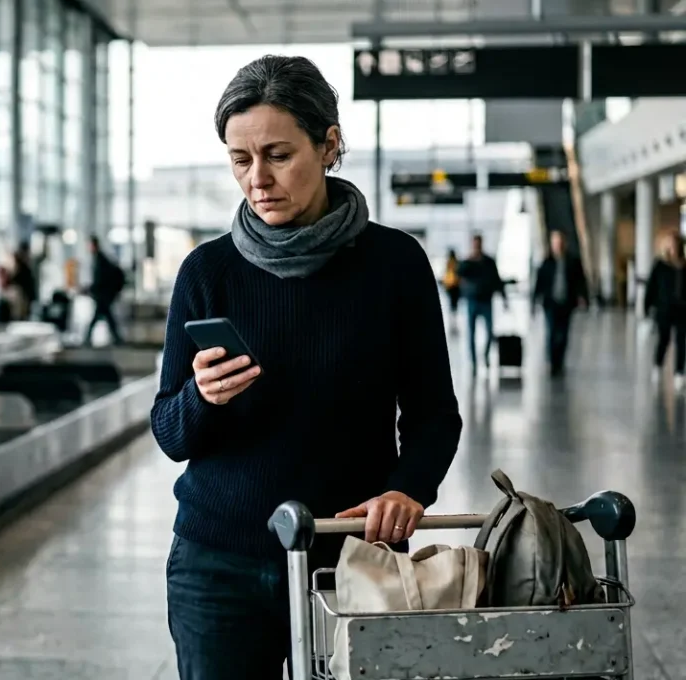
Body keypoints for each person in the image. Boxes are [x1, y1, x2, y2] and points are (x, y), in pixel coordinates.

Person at [150, 55, 462, 678]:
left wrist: (410, 489)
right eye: (241, 160)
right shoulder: (207, 273)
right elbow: (168, 431)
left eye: (277, 154)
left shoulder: (395, 265)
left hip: (353, 562)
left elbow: (433, 414)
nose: (257, 178)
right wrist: (201, 397)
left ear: (329, 145)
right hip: (219, 567)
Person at [532, 230, 588, 377]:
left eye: (561, 242)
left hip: (567, 303)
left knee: (563, 334)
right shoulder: (547, 262)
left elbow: (580, 282)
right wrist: (535, 300)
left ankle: (560, 361)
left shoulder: (573, 262)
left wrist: (583, 296)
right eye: (556, 242)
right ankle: (552, 361)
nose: (558, 245)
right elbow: (539, 283)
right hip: (550, 303)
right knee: (551, 332)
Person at [457, 234, 506, 374]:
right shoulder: (468, 262)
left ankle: (485, 355)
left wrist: (504, 298)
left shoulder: (489, 262)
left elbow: (497, 279)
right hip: (472, 300)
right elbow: (459, 273)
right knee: (471, 334)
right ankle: (473, 362)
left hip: (486, 300)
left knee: (490, 331)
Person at [644, 231, 686, 389]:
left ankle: (679, 373)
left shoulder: (684, 265)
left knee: (682, 342)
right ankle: (657, 365)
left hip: (682, 310)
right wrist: (647, 308)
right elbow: (651, 288)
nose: (673, 247)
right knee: (664, 339)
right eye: (670, 244)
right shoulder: (660, 265)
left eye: (675, 244)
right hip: (664, 310)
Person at [83, 235, 128, 346]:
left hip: (103, 295)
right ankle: (117, 338)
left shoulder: (100, 260)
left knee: (100, 317)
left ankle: (88, 339)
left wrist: (91, 289)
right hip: (104, 295)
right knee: (108, 317)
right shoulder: (100, 258)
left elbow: (100, 279)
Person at [442, 249, 462, 334]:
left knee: (452, 306)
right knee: (454, 307)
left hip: (450, 287)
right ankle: (454, 324)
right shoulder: (456, 263)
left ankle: (452, 324)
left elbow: (446, 275)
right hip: (455, 287)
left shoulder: (448, 263)